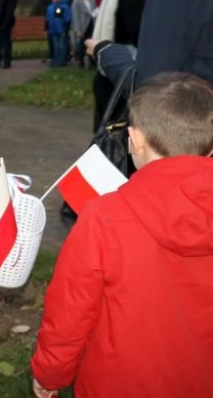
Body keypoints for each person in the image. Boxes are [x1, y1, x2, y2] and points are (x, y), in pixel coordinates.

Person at [30, 73, 213, 398]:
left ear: (135, 139)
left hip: (118, 383)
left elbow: (70, 313)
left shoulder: (104, 218)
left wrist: (50, 372)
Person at [71, 0, 96, 67]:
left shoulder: (91, 0)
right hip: (82, 24)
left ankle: (91, 60)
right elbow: (76, 15)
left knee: (90, 42)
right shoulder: (77, 1)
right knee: (82, 44)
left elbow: (93, 10)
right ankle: (81, 61)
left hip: (91, 23)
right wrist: (78, 29)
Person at [45, 0, 72, 67]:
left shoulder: (64, 7)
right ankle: (55, 60)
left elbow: (67, 19)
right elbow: (47, 19)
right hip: (53, 30)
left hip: (61, 30)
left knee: (61, 45)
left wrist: (66, 29)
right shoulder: (50, 7)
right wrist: (47, 28)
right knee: (55, 45)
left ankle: (61, 60)